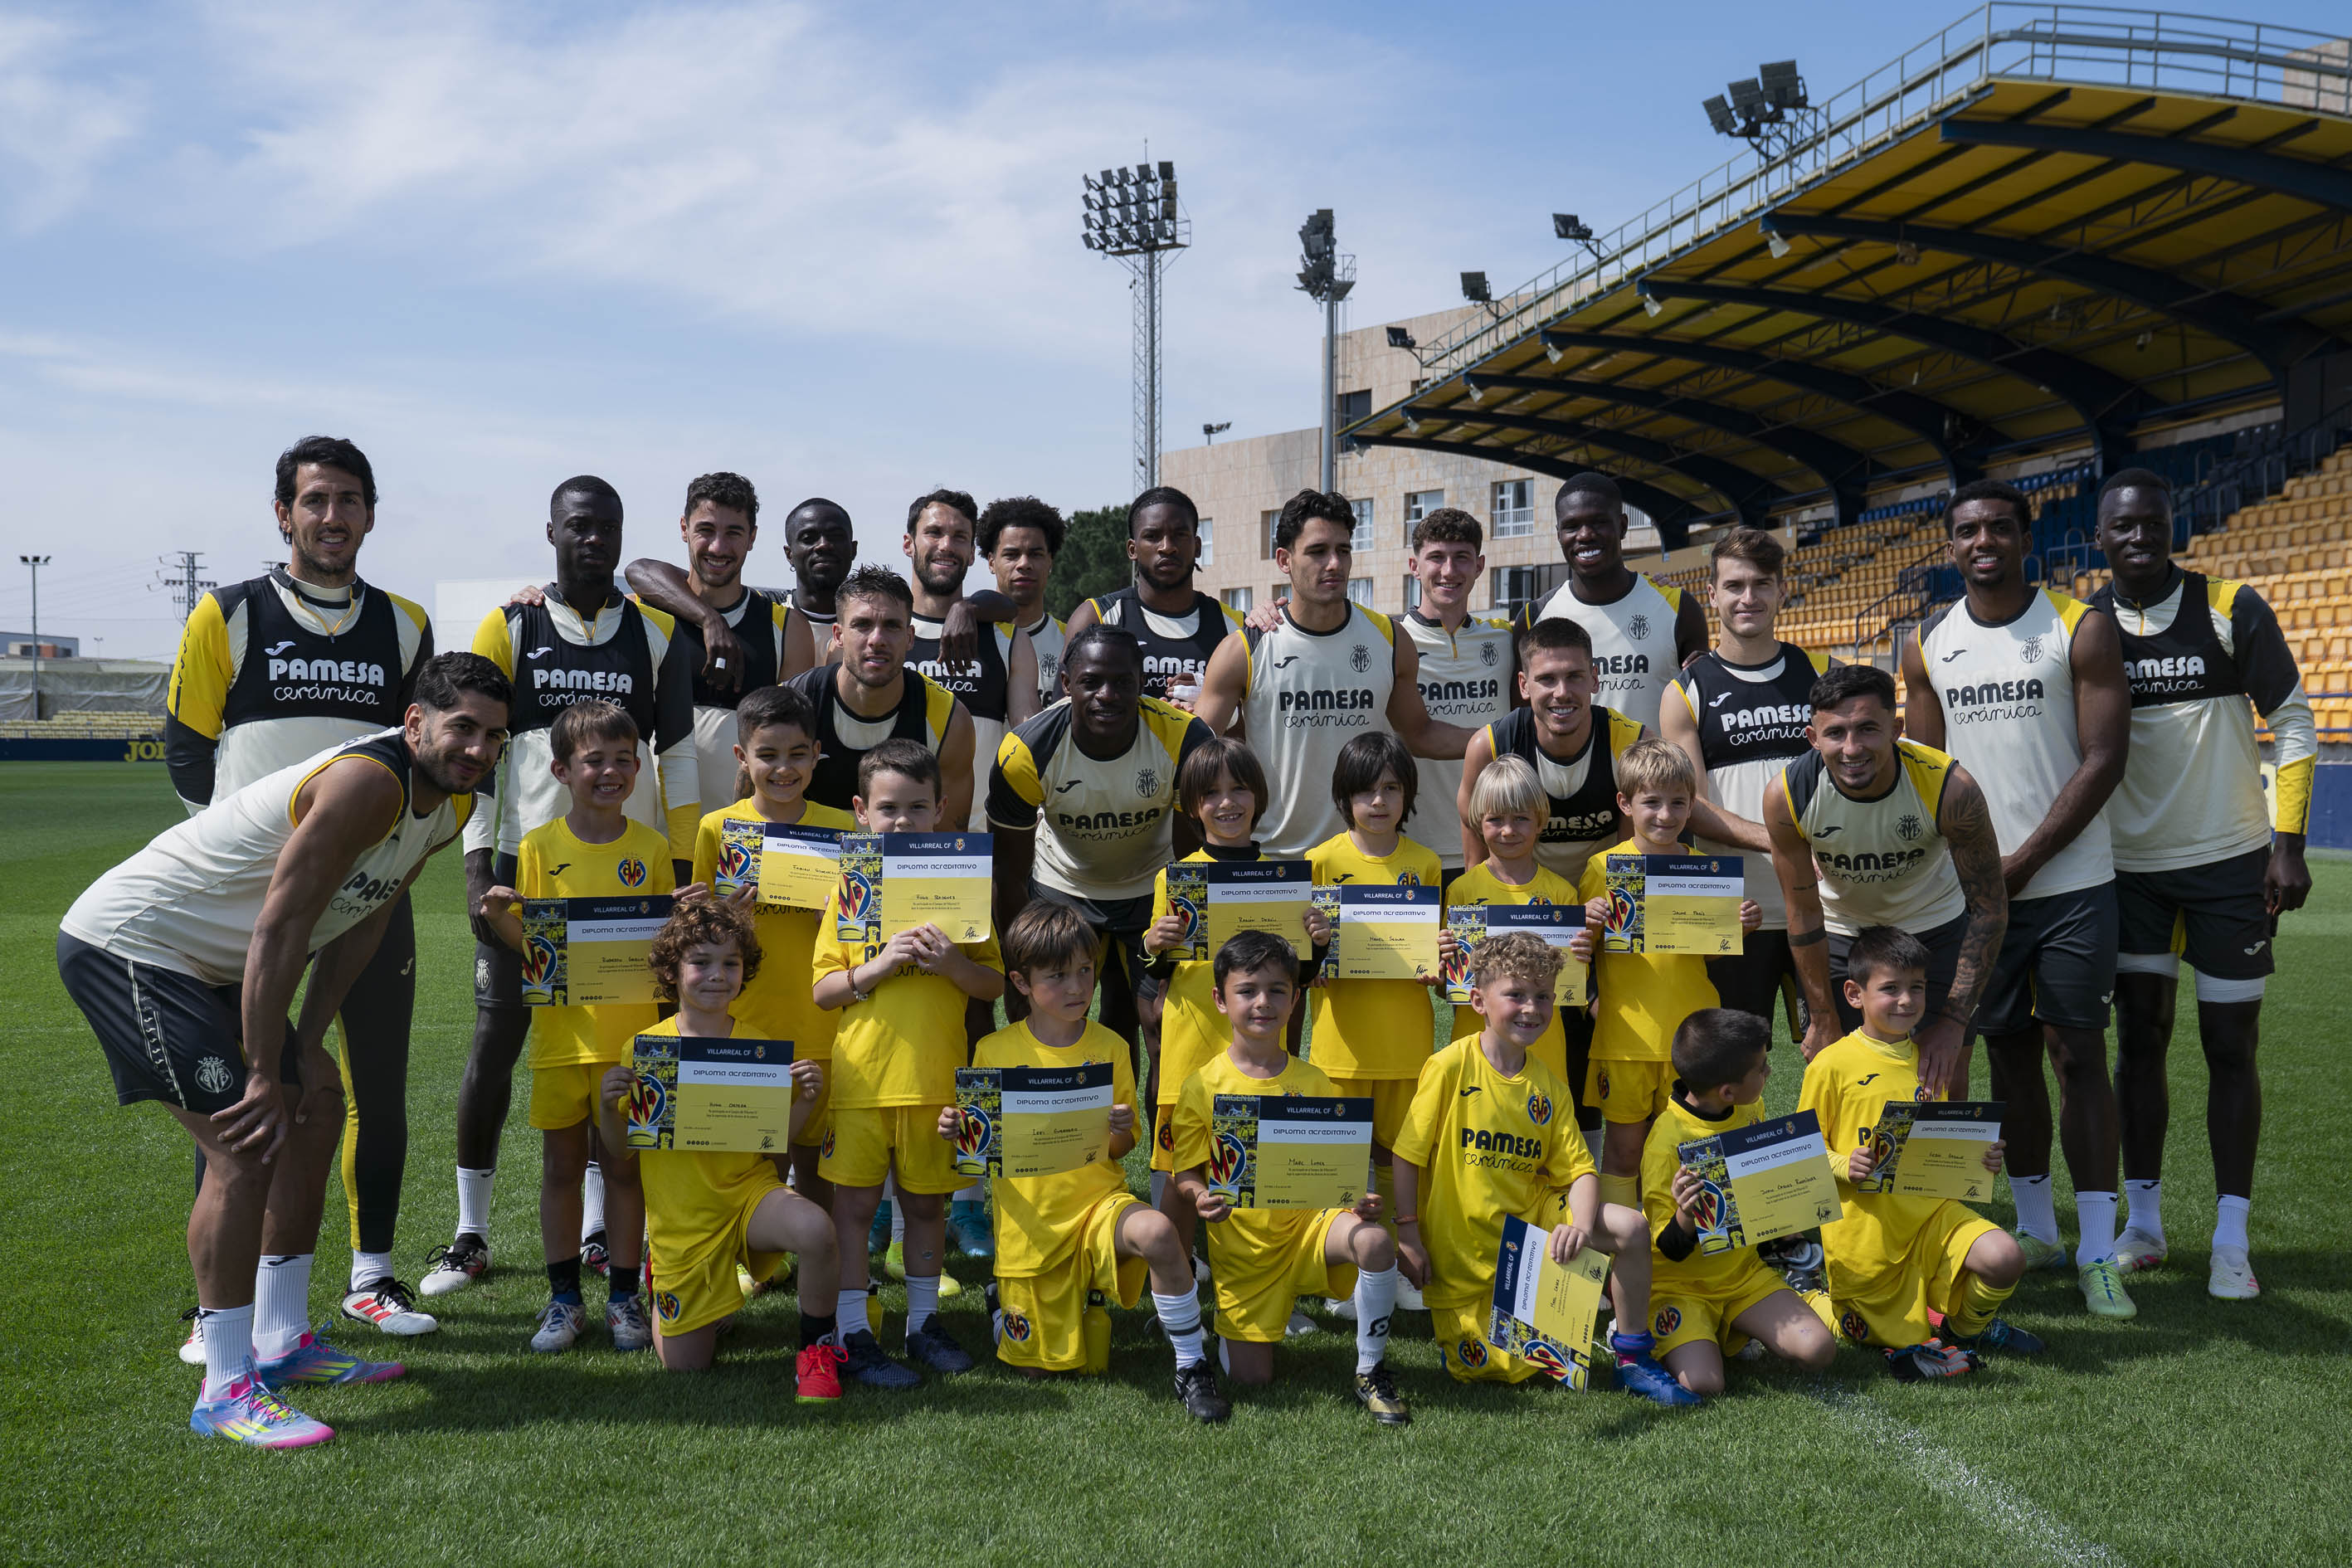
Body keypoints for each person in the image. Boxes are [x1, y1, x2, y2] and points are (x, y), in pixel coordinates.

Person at [58, 652, 509, 1445]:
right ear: (415, 723)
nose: (477, 749)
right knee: (245, 1140)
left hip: (214, 965)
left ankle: (281, 1340)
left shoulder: (451, 808)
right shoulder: (368, 782)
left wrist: (308, 1043)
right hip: (134, 945)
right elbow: (281, 925)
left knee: (318, 1106)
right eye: (462, 728)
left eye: (494, 736)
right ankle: (226, 1387)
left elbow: (363, 918)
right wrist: (264, 1071)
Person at [163, 435, 440, 1346]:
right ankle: (218, 1310)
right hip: (253, 904)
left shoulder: (405, 624)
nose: (332, 516)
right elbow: (187, 749)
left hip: (368, 894)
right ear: (284, 513)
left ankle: (373, 1278)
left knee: (375, 1089)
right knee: (244, 1104)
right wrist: (243, 860)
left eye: (349, 500)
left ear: (370, 514)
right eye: (315, 500)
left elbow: (425, 747)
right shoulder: (228, 613)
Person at [426, 475, 700, 1298]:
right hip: (529, 871)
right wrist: (478, 863)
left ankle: (597, 1233)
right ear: (552, 531)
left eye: (606, 526)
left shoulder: (655, 631)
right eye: (578, 525)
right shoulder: (511, 624)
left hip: (626, 884)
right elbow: (479, 751)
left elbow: (677, 757)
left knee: (611, 1050)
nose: (593, 539)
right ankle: (470, 1232)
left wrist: (682, 872)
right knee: (498, 1040)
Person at [1906, 479, 2135, 1317]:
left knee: (2076, 1055)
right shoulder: (1926, 644)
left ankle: (2099, 1251)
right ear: (1949, 545)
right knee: (2005, 1059)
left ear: (2025, 537)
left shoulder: (2079, 626)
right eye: (1968, 531)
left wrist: (2026, 860)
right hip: (1976, 896)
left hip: (2072, 883)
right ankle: (2038, 1231)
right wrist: (1971, 876)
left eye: (1999, 528)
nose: (1983, 542)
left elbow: (2104, 757)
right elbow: (1922, 774)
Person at [2090, 469, 2315, 1299]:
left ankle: (2230, 1238)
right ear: (2100, 537)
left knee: (2230, 1045)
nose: (2138, 536)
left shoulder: (2229, 607)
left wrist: (2287, 845)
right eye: (2122, 525)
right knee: (2138, 1042)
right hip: (2128, 872)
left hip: (2229, 863)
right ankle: (2143, 1225)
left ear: (2171, 526)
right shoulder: (2085, 626)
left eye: (2151, 521)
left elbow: (2293, 719)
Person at [947, 903, 1230, 1420]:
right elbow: (979, 1156)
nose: (1077, 987)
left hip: (1100, 1207)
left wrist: (1119, 1131)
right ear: (1021, 983)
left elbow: (1121, 1150)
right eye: (1057, 976)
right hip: (1031, 1227)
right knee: (1037, 1371)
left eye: (1085, 970)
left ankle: (1192, 1364)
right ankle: (1001, 1305)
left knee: (1160, 1233)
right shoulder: (993, 1051)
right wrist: (958, 1131)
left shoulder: (1111, 1046)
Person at [1393, 931, 1694, 1405]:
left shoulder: (1548, 1086)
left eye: (1543, 996)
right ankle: (1541, 1317)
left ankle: (1633, 1358)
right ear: (1478, 1000)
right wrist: (1409, 1234)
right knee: (1488, 1371)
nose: (1531, 1009)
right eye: (1515, 994)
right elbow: (1407, 1154)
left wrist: (1580, 1226)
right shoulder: (1450, 1066)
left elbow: (1580, 1172)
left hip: (1528, 1231)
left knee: (1631, 1227)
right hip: (1462, 1253)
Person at [475, 701, 673, 1354]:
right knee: (561, 1168)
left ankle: (623, 1298)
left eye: (623, 760)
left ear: (639, 768)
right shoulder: (538, 848)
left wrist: (682, 919)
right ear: (561, 770)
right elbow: (537, 947)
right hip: (562, 1041)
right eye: (595, 761)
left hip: (632, 1042)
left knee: (624, 1169)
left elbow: (664, 952)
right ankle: (564, 1299)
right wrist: (500, 918)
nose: (610, 772)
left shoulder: (652, 849)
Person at [811, 741, 1006, 1387]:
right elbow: (823, 991)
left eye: (916, 807)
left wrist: (952, 964)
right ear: (860, 811)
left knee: (925, 1209)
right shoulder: (849, 887)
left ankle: (923, 1324)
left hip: (933, 1081)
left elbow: (992, 984)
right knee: (852, 1211)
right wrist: (880, 965)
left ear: (940, 809)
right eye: (888, 808)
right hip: (861, 1081)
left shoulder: (962, 884)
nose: (901, 820)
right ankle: (853, 1332)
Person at [593, 898, 841, 1391]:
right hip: (683, 1221)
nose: (717, 975)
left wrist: (807, 1101)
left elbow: (774, 1139)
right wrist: (605, 1107)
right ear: (671, 970)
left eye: (731, 963)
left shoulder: (758, 1046)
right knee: (688, 1366)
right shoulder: (647, 1049)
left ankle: (817, 1350)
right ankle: (668, 1279)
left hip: (748, 1197)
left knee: (817, 1229)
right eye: (701, 962)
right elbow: (621, 1152)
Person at [1168, 931, 1407, 1423]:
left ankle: (1371, 1370)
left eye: (1277, 990)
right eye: (1247, 990)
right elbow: (1185, 1174)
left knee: (1375, 1241)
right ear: (1220, 999)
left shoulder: (1316, 1082)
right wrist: (1199, 1197)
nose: (1263, 1002)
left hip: (1309, 1230)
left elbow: (1336, 1172)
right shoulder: (1202, 1086)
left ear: (1296, 999)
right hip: (1246, 1253)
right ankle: (1230, 1332)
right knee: (1252, 1379)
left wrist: (1356, 1200)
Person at [1799, 926, 2043, 1380]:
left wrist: (1981, 1158)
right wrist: (1844, 1164)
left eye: (1917, 987)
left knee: (2006, 1257)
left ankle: (1966, 1329)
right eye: (1890, 988)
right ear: (1854, 994)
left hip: (1931, 1216)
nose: (1906, 1000)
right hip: (1868, 1233)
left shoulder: (1930, 1061)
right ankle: (1811, 1296)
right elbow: (1802, 1152)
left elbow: (1940, 1147)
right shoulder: (1832, 1064)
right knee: (1867, 1334)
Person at [1192, 488, 1474, 858]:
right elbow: (1197, 758)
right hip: (1276, 859)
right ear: (1284, 560)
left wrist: (1501, 738)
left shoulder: (1390, 639)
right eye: (1317, 551)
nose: (1334, 564)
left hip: (1365, 861)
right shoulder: (1245, 648)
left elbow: (1420, 734)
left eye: (1343, 550)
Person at [1763, 665, 2008, 1075]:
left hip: (1935, 927)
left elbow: (1989, 907)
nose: (1852, 748)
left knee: (1941, 1080)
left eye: (1867, 729)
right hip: (1842, 933)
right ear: (1813, 738)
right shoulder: (1786, 795)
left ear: (1896, 729)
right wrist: (1822, 1016)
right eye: (1835, 733)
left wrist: (1953, 1021)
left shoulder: (1950, 788)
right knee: (1843, 1076)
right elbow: (1802, 912)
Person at [1141, 737, 1330, 1255]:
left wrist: (1317, 945)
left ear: (1259, 796)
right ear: (1192, 805)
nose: (1227, 802)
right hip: (1192, 1043)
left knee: (1257, 1151)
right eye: (1211, 793)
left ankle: (1262, 1257)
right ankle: (1176, 1265)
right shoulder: (1176, 877)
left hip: (1258, 1047)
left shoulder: (1283, 878)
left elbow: (1296, 976)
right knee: (1180, 1162)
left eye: (1239, 788)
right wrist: (1154, 945)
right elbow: (1157, 969)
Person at [990, 623, 1211, 1055]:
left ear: (1141, 682)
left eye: (1123, 682)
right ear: (1066, 683)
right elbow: (1010, 871)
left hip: (1150, 888)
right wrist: (1018, 960)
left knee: (1162, 1022)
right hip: (1062, 887)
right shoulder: (1025, 752)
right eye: (1091, 682)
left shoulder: (1186, 738)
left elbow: (1194, 859)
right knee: (1049, 1023)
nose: (1107, 695)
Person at [1569, 738, 1761, 1208]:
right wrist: (1588, 921)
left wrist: (1736, 929)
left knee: (1691, 1149)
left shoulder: (1703, 870)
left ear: (1692, 805)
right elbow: (1582, 954)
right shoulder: (1603, 869)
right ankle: (1623, 1237)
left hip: (1693, 1037)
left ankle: (1677, 1237)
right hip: (1627, 1039)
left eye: (1678, 802)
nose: (1665, 814)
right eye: (1651, 802)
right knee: (1624, 1152)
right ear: (1625, 803)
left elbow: (1706, 956)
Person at [691, 684, 859, 1214]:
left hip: (824, 1026)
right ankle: (753, 1254)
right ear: (742, 757)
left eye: (797, 754)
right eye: (767, 755)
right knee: (755, 1164)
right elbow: (699, 941)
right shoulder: (718, 829)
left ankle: (817, 1255)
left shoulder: (845, 829)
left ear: (816, 755)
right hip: (748, 1024)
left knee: (817, 1170)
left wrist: (838, 917)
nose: (783, 769)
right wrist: (724, 918)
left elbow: (865, 934)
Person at [1659, 528, 1829, 1029]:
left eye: (1761, 584)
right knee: (1731, 1061)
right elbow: (1691, 806)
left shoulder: (1823, 674)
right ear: (1712, 595)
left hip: (1822, 905)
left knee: (1834, 1048)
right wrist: (1781, 842)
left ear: (1782, 591)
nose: (1748, 598)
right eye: (1734, 586)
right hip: (1734, 913)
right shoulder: (1685, 692)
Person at [1639, 1009, 1840, 1395]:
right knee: (1704, 1383)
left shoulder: (1749, 1108)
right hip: (1679, 1286)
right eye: (1761, 1069)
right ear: (1727, 1092)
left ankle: (1734, 1327)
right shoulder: (1666, 1143)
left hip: (1742, 1275)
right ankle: (1656, 1328)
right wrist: (1686, 1215)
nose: (1769, 1072)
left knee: (1818, 1350)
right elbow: (1669, 1250)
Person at [1306, 731, 1442, 1286]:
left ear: (1408, 794)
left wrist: (1439, 965)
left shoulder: (1425, 865)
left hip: (1406, 1045)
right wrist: (1312, 956)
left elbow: (1437, 963)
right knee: (1340, 1161)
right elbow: (1301, 961)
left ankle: (1396, 1265)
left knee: (1397, 1158)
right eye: (1365, 790)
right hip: (1341, 1045)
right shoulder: (1319, 862)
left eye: (1391, 788)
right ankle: (1344, 1275)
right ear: (1344, 798)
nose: (1379, 801)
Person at [618, 470, 819, 808]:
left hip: (740, 829)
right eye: (706, 530)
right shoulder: (638, 612)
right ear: (684, 528)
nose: (718, 547)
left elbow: (793, 742)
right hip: (649, 828)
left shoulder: (787, 628)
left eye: (734, 533)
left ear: (752, 537)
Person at [1512, 472, 1709, 731]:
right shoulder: (1533, 618)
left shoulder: (1678, 608)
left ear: (1623, 526)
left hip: (1657, 759)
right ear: (1558, 534)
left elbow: (1704, 712)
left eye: (1599, 522)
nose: (1585, 535)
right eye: (1572, 526)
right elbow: (1522, 725)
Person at [781, 564, 975, 823]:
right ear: (838, 635)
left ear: (910, 637)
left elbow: (946, 839)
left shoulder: (949, 719)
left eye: (892, 626)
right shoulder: (791, 706)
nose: (877, 639)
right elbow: (752, 817)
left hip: (904, 852)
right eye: (862, 625)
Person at [1458, 617, 1646, 883]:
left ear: (1594, 678)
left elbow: (1632, 861)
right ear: (1524, 685)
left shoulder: (1632, 744)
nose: (1562, 693)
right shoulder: (1489, 748)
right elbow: (1477, 871)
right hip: (1525, 903)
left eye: (1574, 676)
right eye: (1547, 679)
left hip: (1603, 898)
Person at [902, 488, 1039, 828]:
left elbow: (1031, 740)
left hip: (978, 843)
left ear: (973, 553)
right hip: (889, 838)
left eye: (959, 537)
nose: (946, 545)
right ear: (908, 544)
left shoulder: (1009, 641)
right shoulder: (881, 634)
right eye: (934, 532)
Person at [1439, 756, 1580, 1083]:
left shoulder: (1562, 893)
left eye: (1521, 819)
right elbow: (1449, 989)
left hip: (1544, 1046)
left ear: (1540, 821)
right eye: (1495, 819)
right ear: (1478, 823)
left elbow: (1569, 985)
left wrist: (1580, 957)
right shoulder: (1462, 891)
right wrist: (1442, 962)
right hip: (1476, 1041)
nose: (1508, 830)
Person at [1400, 508, 1516, 886]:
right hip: (1409, 847)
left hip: (1495, 845)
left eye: (1461, 557)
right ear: (1415, 566)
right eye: (1436, 557)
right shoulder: (1388, 639)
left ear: (1479, 565)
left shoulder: (1505, 637)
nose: (1449, 570)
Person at [1064, 486, 1243, 707]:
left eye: (1180, 535)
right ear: (1132, 549)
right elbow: (1062, 715)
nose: (1167, 547)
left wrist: (1215, 700)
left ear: (1197, 546)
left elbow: (1258, 721)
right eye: (1152, 536)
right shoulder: (1096, 617)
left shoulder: (1235, 627)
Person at [979, 494, 1069, 709]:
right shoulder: (969, 637)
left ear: (1050, 561)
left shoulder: (1070, 641)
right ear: (991, 562)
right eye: (1012, 555)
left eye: (1035, 554)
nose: (1024, 564)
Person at [778, 497, 858, 637]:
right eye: (808, 538)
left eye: (836, 536)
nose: (823, 545)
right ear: (789, 554)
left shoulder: (877, 623)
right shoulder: (764, 616)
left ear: (853, 550)